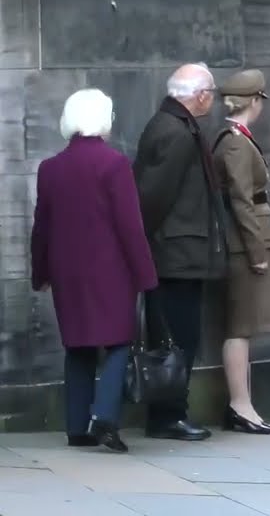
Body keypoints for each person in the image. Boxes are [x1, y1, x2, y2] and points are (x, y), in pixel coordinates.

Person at [32, 89, 158, 453]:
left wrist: (39, 272)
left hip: (67, 271)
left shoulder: (50, 167)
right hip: (111, 270)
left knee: (78, 347)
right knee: (118, 341)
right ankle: (105, 415)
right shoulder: (114, 164)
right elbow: (129, 226)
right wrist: (146, 275)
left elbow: (42, 227)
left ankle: (76, 426)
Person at [133, 63, 227, 441]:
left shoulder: (175, 125)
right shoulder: (175, 131)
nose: (213, 99)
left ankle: (171, 413)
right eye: (212, 93)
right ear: (199, 95)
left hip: (180, 251)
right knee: (177, 340)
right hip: (175, 254)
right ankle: (168, 415)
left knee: (179, 337)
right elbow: (152, 196)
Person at [212, 70, 270, 434]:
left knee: (245, 327)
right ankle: (240, 404)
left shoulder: (237, 139)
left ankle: (243, 403)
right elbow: (241, 200)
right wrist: (256, 250)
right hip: (245, 245)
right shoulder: (236, 142)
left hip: (247, 241)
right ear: (254, 101)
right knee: (240, 326)